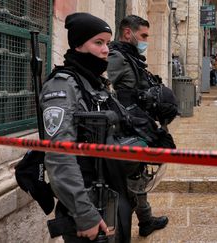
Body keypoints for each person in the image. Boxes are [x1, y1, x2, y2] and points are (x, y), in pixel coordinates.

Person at [40, 12, 133, 242]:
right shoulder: (63, 86)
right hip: (88, 200)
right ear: (79, 45)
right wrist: (84, 214)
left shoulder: (94, 82)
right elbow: (59, 157)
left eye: (108, 43)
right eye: (98, 42)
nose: (105, 50)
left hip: (111, 193)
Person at [107, 15, 173, 238]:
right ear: (128, 33)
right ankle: (131, 223)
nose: (146, 40)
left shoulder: (131, 57)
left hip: (136, 124)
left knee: (138, 174)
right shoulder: (116, 56)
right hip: (124, 127)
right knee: (132, 176)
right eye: (143, 35)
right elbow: (102, 87)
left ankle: (145, 219)